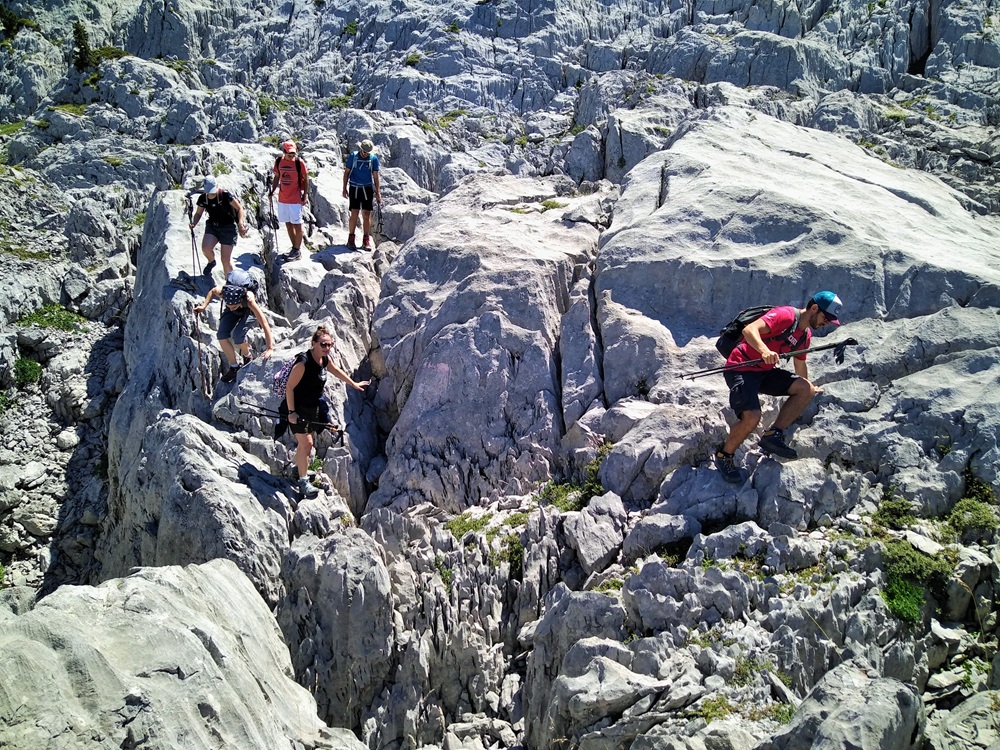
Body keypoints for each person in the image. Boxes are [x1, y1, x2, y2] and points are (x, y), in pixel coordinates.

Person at [713, 291, 844, 484]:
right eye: (826, 317)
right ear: (814, 308)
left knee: (805, 388)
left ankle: (773, 435)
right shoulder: (786, 316)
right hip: (740, 367)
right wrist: (764, 351)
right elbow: (750, 330)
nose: (826, 322)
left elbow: (800, 365)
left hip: (764, 371)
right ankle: (724, 456)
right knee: (752, 417)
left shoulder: (804, 336)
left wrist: (809, 387)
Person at [284, 325, 370, 498]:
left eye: (330, 345)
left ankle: (299, 469)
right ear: (314, 343)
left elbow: (336, 371)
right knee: (307, 443)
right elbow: (289, 388)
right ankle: (302, 482)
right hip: (297, 409)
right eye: (323, 344)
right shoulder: (303, 363)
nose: (327, 348)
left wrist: (353, 384)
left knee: (307, 444)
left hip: (312, 407)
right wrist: (291, 412)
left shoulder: (324, 360)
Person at [194, 269, 274, 383]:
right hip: (237, 306)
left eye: (234, 306)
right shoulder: (223, 292)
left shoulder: (249, 300)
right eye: (229, 305)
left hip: (247, 311)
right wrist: (203, 306)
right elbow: (212, 291)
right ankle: (234, 367)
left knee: (238, 336)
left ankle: (247, 356)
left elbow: (264, 323)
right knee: (221, 335)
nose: (231, 308)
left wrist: (270, 348)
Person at [189, 176, 249, 277]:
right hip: (213, 226)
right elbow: (198, 213)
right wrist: (194, 223)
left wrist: (240, 223)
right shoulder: (203, 198)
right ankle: (211, 261)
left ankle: (230, 283)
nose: (211, 194)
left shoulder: (225, 195)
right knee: (206, 248)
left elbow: (239, 208)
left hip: (228, 228)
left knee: (225, 260)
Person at [270, 140, 309, 261]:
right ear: (284, 152)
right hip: (282, 198)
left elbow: (306, 179)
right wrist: (272, 191)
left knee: (298, 225)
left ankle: (297, 251)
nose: (292, 156)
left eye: (293, 154)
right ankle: (294, 248)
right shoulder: (278, 161)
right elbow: (277, 177)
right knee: (288, 223)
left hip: (295, 199)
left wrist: (305, 195)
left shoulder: (299, 163)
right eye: (289, 154)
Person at [342, 138, 381, 250]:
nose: (365, 154)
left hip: (367, 188)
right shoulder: (353, 156)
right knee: (354, 212)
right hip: (354, 187)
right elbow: (347, 173)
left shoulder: (373, 159)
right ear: (360, 149)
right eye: (363, 151)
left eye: (367, 152)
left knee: (366, 214)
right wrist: (344, 188)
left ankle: (366, 239)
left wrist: (378, 192)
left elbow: (376, 176)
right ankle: (351, 238)